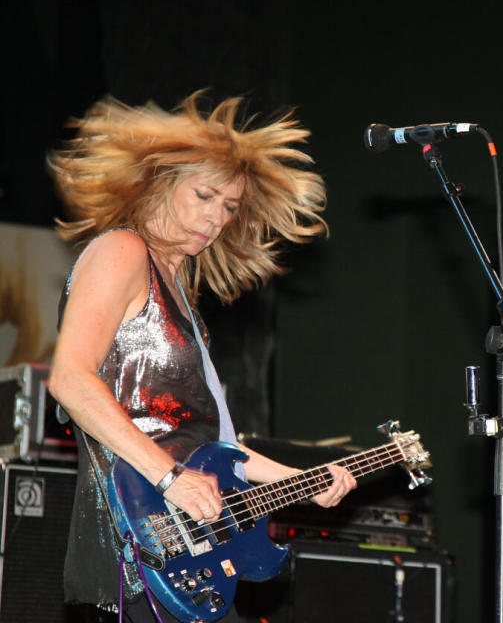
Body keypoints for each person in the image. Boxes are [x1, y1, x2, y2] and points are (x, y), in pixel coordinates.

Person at [47, 91, 357, 622]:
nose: (216, 218)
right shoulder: (122, 252)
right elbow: (70, 380)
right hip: (132, 552)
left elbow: (217, 450)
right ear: (162, 181)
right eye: (205, 195)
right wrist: (171, 479)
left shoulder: (183, 300)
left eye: (230, 207)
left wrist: (303, 480)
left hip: (185, 556)